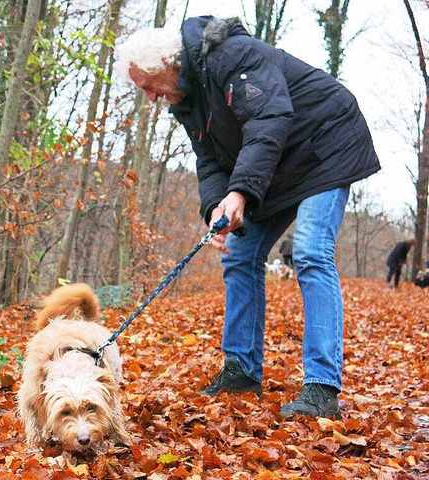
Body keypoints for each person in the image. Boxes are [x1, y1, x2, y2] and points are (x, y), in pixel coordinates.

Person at [116, 16, 380, 418]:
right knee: (238, 255)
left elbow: (267, 121)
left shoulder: (232, 54)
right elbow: (209, 161)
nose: (150, 97)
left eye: (149, 86)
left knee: (309, 252)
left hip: (325, 146)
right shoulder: (187, 101)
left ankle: (322, 388)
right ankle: (241, 370)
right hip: (275, 167)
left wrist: (240, 192)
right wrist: (217, 207)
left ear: (169, 64)